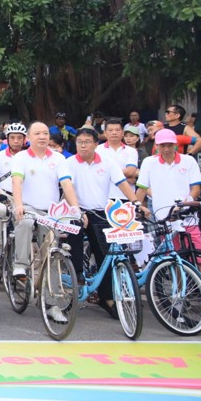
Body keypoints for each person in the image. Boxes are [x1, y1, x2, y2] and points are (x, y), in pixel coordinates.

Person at [61, 128, 144, 316]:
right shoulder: (69, 163)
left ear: (95, 144)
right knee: (73, 250)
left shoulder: (107, 162)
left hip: (100, 213)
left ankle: (107, 298)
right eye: (79, 142)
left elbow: (122, 183)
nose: (83, 145)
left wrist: (136, 202)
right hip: (76, 212)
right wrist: (77, 210)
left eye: (87, 141)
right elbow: (68, 188)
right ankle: (75, 285)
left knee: (106, 256)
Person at [11, 122, 82, 282]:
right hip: (28, 207)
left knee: (52, 249)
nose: (42, 137)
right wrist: (18, 204)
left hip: (51, 211)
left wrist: (75, 208)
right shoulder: (20, 157)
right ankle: (20, 264)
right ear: (28, 138)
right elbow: (17, 181)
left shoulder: (59, 158)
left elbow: (66, 184)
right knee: (25, 223)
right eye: (37, 133)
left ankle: (53, 300)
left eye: (45, 133)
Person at [136, 129, 201, 250]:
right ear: (156, 145)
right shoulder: (148, 162)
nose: (166, 149)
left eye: (170, 145)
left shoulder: (188, 161)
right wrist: (137, 207)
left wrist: (186, 203)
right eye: (162, 145)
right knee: (173, 258)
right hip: (164, 217)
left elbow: (196, 188)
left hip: (187, 216)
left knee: (198, 256)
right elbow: (142, 189)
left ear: (175, 145)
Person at [0, 122, 27, 262]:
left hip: (23, 197)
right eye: (13, 137)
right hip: (4, 194)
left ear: (25, 139)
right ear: (7, 139)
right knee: (1, 210)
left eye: (19, 138)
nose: (16, 141)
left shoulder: (29, 157)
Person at [96, 119, 139, 201]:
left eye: (117, 130)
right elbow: (94, 172)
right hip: (103, 196)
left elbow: (130, 171)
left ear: (122, 133)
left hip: (126, 196)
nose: (114, 133)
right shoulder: (97, 150)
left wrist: (105, 172)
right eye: (110, 130)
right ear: (105, 133)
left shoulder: (131, 151)